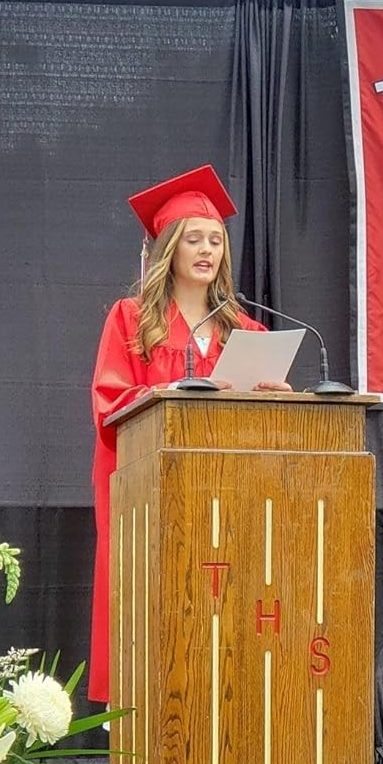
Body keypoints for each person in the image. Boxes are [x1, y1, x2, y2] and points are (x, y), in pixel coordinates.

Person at [88, 164, 290, 702]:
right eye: (194, 238)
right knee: (159, 613)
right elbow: (110, 403)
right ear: (169, 248)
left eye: (216, 240)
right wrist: (175, 389)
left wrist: (275, 399)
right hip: (154, 497)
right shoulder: (132, 320)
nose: (207, 250)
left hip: (229, 496)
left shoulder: (246, 329)